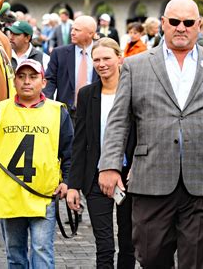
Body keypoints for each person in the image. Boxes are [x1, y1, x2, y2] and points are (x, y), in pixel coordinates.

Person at [98, 0, 203, 268]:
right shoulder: (136, 65)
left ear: (199, 25)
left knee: (196, 261)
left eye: (189, 22)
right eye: (175, 21)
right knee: (151, 256)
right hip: (151, 180)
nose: (181, 27)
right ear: (163, 24)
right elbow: (118, 120)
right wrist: (110, 165)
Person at [0, 59, 73, 268]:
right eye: (21, 77)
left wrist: (67, 181)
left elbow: (69, 151)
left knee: (42, 252)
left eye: (33, 77)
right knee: (15, 255)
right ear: (14, 81)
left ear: (43, 82)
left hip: (44, 194)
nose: (26, 82)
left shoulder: (58, 111)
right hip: (10, 194)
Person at [67, 37, 135, 269]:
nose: (101, 63)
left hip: (129, 177)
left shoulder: (133, 91)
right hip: (95, 177)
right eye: (96, 59)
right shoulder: (87, 94)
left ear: (119, 59)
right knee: (104, 245)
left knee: (129, 243)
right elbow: (80, 142)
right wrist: (73, 185)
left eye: (107, 58)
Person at [43, 15, 99, 124]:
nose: (72, 32)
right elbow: (49, 81)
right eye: (72, 29)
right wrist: (46, 106)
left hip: (94, 114)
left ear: (91, 34)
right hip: (66, 114)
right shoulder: (59, 54)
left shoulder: (101, 53)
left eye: (77, 30)